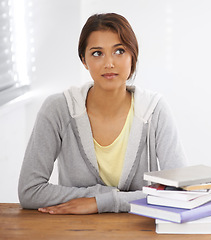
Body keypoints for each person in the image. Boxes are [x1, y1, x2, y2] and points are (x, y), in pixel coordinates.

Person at [18, 13, 187, 214]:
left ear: (133, 56)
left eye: (119, 51)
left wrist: (101, 202)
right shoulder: (58, 109)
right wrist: (101, 196)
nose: (109, 63)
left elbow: (179, 190)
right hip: (74, 229)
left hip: (140, 229)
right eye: (97, 53)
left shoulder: (154, 110)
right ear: (84, 60)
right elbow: (30, 191)